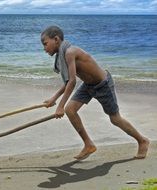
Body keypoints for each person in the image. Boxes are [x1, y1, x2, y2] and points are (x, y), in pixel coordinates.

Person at [41, 25, 150, 160]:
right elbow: (68, 81)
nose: (44, 48)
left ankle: (142, 140)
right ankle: (88, 144)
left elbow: (72, 81)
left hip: (103, 85)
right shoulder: (62, 55)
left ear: (56, 39)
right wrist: (54, 99)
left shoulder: (70, 52)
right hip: (88, 85)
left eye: (45, 44)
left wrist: (60, 106)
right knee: (70, 110)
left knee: (115, 119)